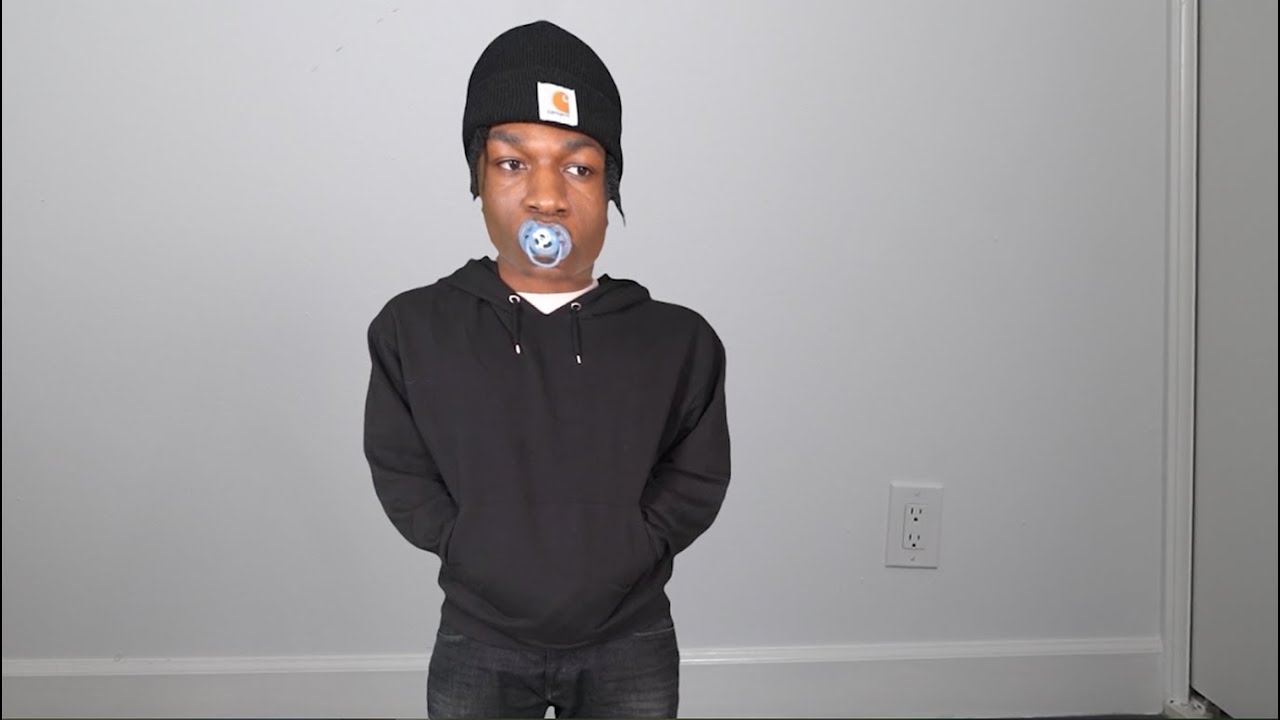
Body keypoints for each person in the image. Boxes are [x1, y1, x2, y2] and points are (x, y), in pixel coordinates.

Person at [363, 19, 731, 718]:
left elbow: (696, 476)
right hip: (478, 638)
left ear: (609, 186)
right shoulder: (411, 329)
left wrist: (634, 547)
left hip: (631, 639)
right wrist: (467, 547)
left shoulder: (679, 340)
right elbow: (400, 467)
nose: (545, 196)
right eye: (512, 163)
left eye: (578, 167)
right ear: (477, 177)